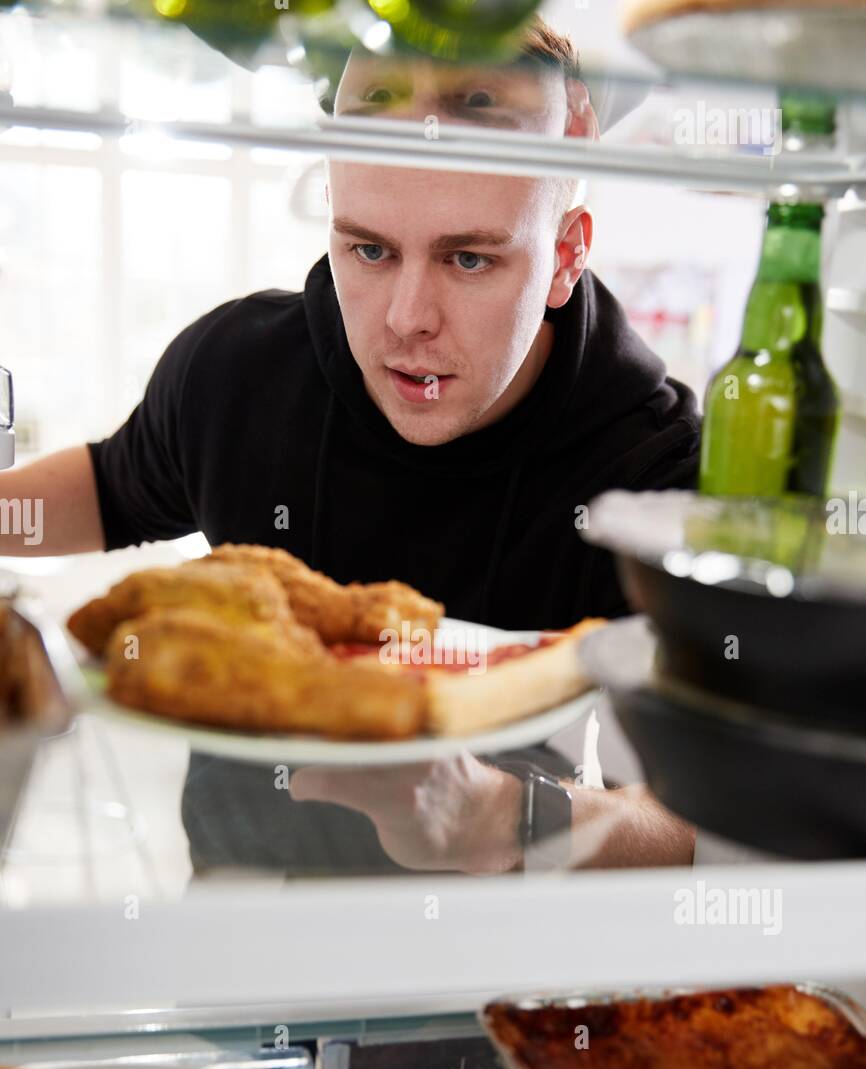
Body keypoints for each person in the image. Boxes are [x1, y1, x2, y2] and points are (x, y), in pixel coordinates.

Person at [2, 19, 697, 874]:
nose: (406, 318)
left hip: (499, 936)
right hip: (237, 909)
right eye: (368, 249)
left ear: (564, 256)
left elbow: (706, 823)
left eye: (469, 260)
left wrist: (495, 818)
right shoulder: (237, 371)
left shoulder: (650, 471)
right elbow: (114, 485)